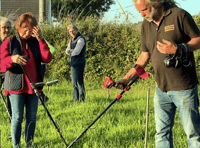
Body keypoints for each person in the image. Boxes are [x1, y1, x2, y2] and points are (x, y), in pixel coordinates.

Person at [115, 0, 200, 147]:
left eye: (145, 9)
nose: (142, 14)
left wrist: (179, 49)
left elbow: (198, 40)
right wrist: (126, 79)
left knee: (193, 134)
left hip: (184, 87)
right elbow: (144, 56)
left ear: (155, 4)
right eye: (139, 11)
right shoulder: (146, 24)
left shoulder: (179, 15)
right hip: (161, 88)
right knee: (161, 133)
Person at [0, 12, 53, 147]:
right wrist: (12, 59)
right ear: (19, 27)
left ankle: (29, 144)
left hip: (34, 86)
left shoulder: (37, 41)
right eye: (26, 29)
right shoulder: (9, 41)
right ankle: (16, 145)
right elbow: (1, 65)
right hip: (15, 86)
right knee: (17, 118)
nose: (28, 33)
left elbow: (47, 58)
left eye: (31, 30)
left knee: (32, 118)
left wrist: (41, 39)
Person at [66, 24, 86, 102]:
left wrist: (70, 51)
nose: (72, 32)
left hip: (79, 63)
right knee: (74, 82)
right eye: (70, 31)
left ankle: (82, 99)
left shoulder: (81, 39)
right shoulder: (71, 39)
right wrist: (70, 51)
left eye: (73, 30)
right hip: (73, 63)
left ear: (77, 30)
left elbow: (76, 52)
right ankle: (75, 100)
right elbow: (67, 50)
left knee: (79, 82)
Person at [0, 17, 12, 119]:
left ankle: (13, 123)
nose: (6, 30)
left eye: (8, 27)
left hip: (10, 75)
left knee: (11, 100)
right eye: (4, 27)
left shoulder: (14, 42)